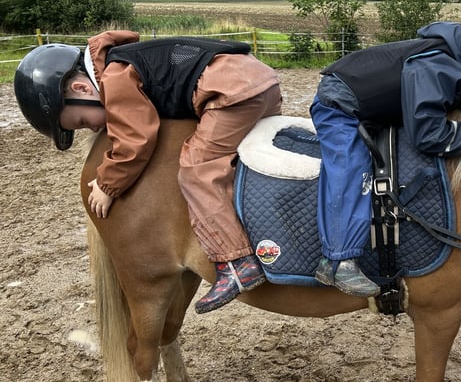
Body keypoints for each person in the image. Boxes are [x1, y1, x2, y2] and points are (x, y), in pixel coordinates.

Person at [14, 31, 282, 314]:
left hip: (231, 92)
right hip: (259, 80)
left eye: (82, 121)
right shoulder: (125, 62)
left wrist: (107, 185)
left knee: (196, 169)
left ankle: (237, 263)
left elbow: (135, 139)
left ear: (81, 89)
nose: (93, 129)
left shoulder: (115, 78)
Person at [310, 1, 461, 297]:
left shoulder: (455, 66)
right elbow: (425, 130)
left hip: (370, 103)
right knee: (351, 166)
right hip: (340, 103)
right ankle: (336, 260)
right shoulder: (437, 66)